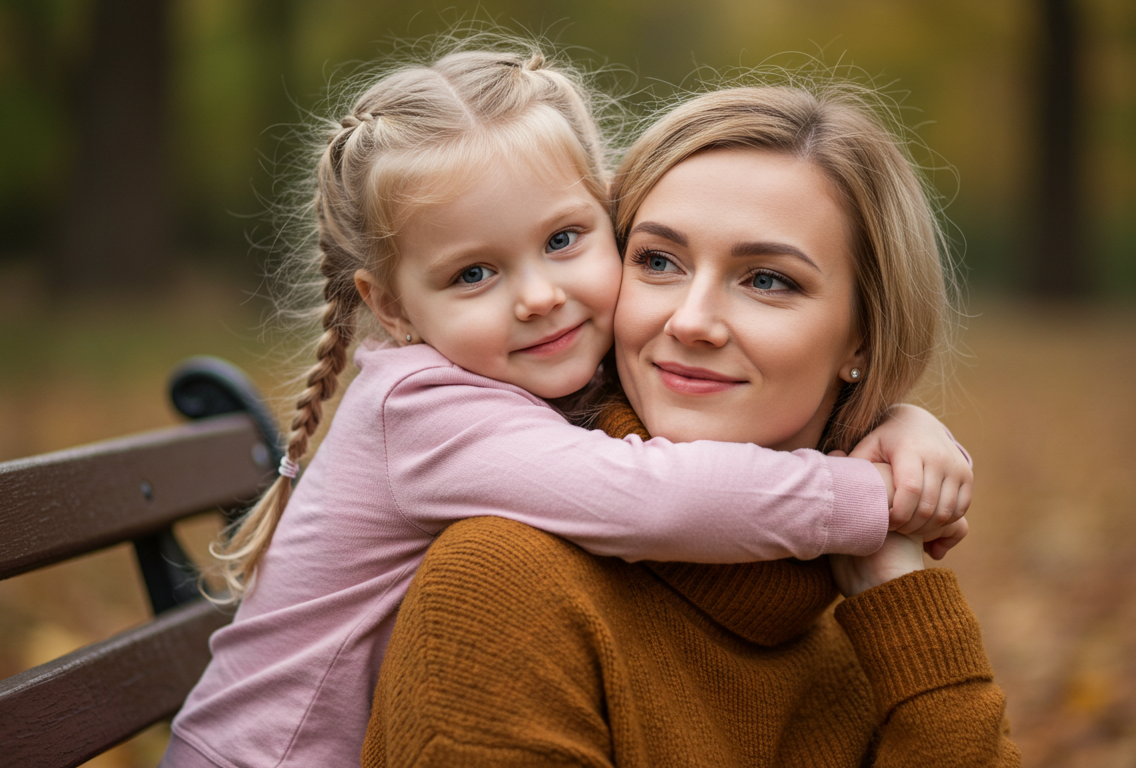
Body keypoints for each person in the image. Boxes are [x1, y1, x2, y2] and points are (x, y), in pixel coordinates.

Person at [161, 41, 974, 768]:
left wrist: (892, 422)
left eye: (562, 241)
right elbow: (649, 494)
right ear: (393, 307)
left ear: (603, 215)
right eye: (473, 274)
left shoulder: (534, 382)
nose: (540, 298)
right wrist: (873, 497)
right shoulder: (429, 413)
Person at [362, 84, 1020, 766]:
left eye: (767, 280)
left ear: (863, 338)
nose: (691, 321)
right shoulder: (504, 587)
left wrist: (902, 605)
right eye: (657, 262)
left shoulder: (870, 625)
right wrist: (869, 495)